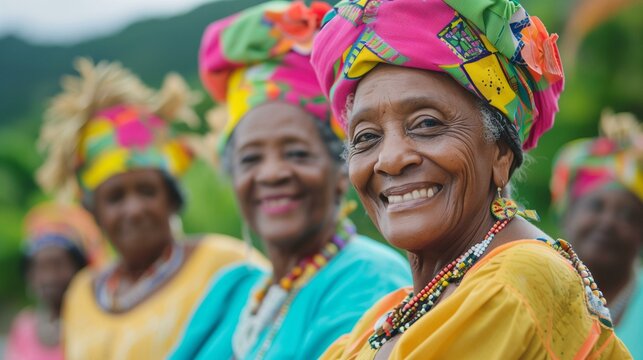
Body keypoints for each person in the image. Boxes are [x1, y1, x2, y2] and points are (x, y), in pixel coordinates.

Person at [309, 0, 632, 358]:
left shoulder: (514, 283)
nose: (390, 159)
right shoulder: (389, 313)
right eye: (366, 137)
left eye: (427, 124)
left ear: (500, 155)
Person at [170, 2, 411, 359]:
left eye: (297, 153)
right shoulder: (234, 290)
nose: (271, 173)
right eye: (250, 158)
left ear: (341, 170)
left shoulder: (369, 281)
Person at [37, 58, 259, 359]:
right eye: (115, 197)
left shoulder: (226, 265)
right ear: (94, 213)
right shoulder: (80, 294)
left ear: (171, 197)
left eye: (147, 190)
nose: (134, 209)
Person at [551, 110, 643, 358]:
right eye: (596, 206)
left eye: (628, 215)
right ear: (567, 214)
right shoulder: (537, 288)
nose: (609, 222)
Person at [5, 202, 107, 360]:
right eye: (39, 267)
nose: (49, 277)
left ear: (80, 269)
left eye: (58, 265)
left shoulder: (98, 322)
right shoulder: (23, 327)